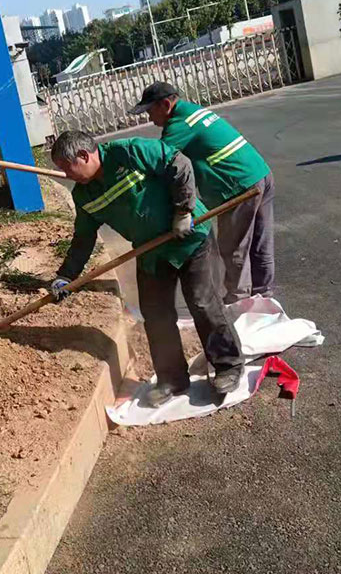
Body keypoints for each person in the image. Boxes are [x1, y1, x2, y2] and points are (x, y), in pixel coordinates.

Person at [50, 130, 244, 407]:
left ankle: (228, 366)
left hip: (190, 239)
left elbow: (179, 164)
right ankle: (172, 379)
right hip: (150, 251)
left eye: (67, 167)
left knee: (203, 303)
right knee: (155, 315)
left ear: (84, 155)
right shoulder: (84, 195)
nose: (66, 175)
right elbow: (83, 238)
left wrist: (183, 210)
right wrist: (66, 276)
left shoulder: (128, 152)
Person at [128, 82, 275, 305]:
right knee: (260, 243)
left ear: (165, 104)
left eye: (150, 111)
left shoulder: (179, 124)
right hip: (259, 174)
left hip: (238, 185)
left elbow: (159, 163)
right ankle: (264, 297)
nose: (149, 117)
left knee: (234, 248)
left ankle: (239, 302)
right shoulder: (194, 111)